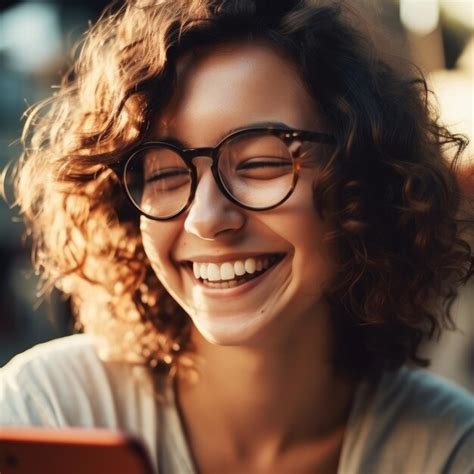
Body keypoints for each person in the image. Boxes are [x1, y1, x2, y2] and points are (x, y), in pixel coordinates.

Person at [1, 1, 473, 472]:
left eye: (261, 162)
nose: (204, 219)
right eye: (165, 173)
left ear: (364, 183)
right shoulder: (45, 414)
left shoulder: (450, 449)